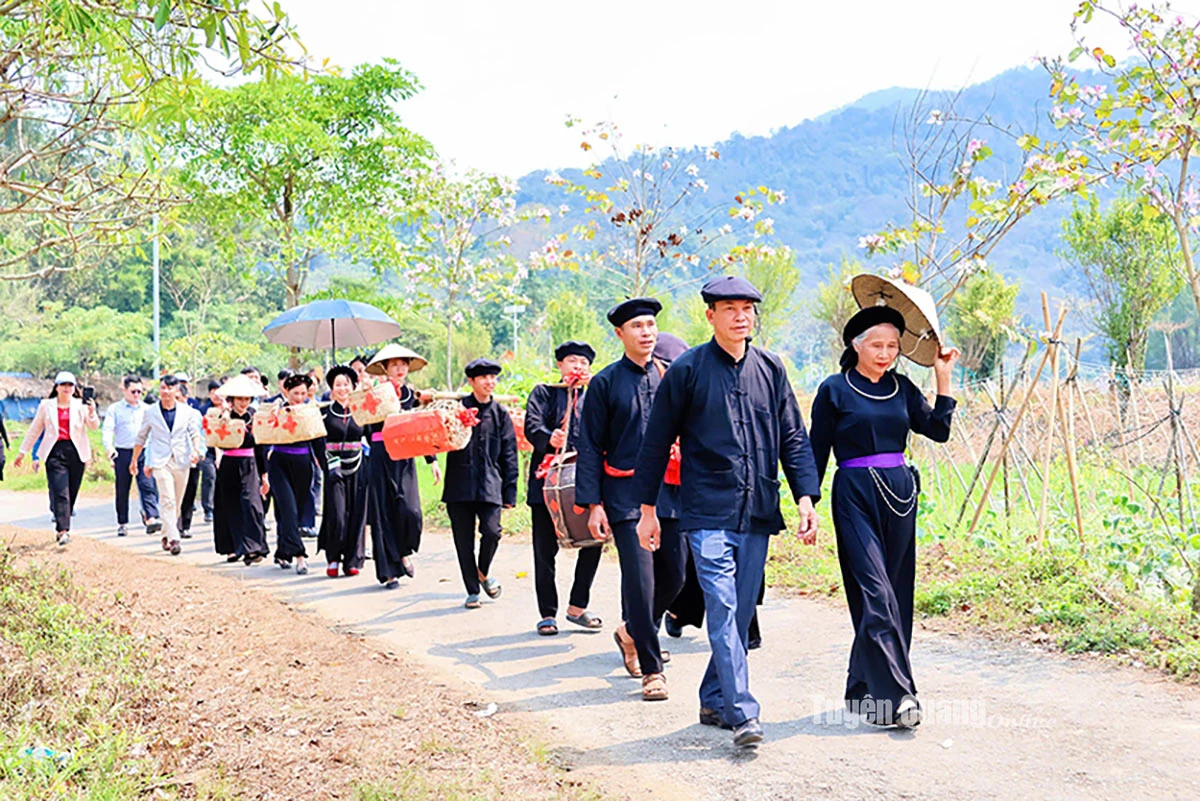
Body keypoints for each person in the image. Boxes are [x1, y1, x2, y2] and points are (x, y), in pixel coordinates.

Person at [633, 275, 820, 748]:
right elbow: (655, 444)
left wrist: (805, 497)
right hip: (707, 509)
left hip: (757, 507)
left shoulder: (771, 369)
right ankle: (743, 714)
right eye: (730, 308)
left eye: (747, 308)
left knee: (738, 615)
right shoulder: (688, 370)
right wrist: (647, 510)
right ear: (710, 315)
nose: (741, 316)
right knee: (722, 604)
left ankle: (715, 696)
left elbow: (793, 437)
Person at [809, 306, 959, 729]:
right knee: (874, 594)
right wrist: (808, 503)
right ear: (855, 346)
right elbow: (814, 451)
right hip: (853, 493)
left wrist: (942, 377)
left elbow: (938, 430)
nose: (885, 353)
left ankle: (861, 689)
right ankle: (899, 698)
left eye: (892, 346)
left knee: (896, 595)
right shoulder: (834, 390)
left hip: (900, 494)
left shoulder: (903, 388)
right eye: (877, 345)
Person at [576, 298, 686, 702]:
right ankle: (652, 671)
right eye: (637, 326)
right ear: (620, 334)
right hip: (623, 496)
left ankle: (629, 631)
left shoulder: (671, 377)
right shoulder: (604, 384)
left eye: (651, 324)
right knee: (640, 582)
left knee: (675, 576)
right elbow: (589, 446)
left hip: (670, 491)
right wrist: (593, 505)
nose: (646, 332)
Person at [524, 341, 604, 636]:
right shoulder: (544, 392)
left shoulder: (595, 395)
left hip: (585, 481)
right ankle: (547, 613)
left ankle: (578, 606)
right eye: (572, 361)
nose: (578, 367)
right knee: (544, 550)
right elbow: (532, 426)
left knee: (594, 541)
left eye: (583, 362)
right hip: (547, 483)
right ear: (560, 365)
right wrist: (549, 437)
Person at [443, 358, 519, 609]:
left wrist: (510, 491)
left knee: (492, 532)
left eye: (493, 377)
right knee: (463, 540)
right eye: (484, 377)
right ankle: (472, 591)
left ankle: (482, 572)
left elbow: (509, 453)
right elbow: (435, 436)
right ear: (471, 382)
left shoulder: (500, 414)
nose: (490, 382)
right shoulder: (456, 410)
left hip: (490, 484)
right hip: (459, 485)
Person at [363, 344, 441, 589]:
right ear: (384, 369)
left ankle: (404, 550)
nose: (399, 369)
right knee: (383, 511)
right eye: (394, 365)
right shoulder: (373, 395)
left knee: (411, 511)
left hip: (405, 455)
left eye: (403, 364)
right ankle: (389, 571)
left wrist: (433, 461)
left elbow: (420, 429)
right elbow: (363, 427)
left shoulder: (411, 395)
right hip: (379, 454)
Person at [14, 372, 100, 546]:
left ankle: (61, 514)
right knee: (61, 491)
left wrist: (92, 412)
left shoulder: (80, 406)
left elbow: (93, 427)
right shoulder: (46, 406)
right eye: (63, 385)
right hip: (54, 451)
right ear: (57, 387)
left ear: (75, 388)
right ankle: (63, 531)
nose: (67, 389)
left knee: (72, 492)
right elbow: (35, 429)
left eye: (70, 385)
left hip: (76, 451)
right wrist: (23, 452)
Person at [131, 374, 205, 556]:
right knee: (167, 499)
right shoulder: (150, 412)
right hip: (160, 461)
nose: (166, 392)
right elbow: (141, 437)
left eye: (170, 388)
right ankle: (174, 538)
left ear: (176, 391)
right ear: (160, 390)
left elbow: (195, 433)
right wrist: (135, 460)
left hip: (181, 460)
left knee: (177, 502)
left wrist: (196, 450)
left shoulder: (186, 412)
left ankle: (166, 533)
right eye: (163, 388)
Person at [266, 374, 325, 575]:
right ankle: (300, 555)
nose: (299, 397)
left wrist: (327, 469)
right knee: (287, 508)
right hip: (279, 464)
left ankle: (282, 552)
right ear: (286, 392)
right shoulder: (276, 409)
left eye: (303, 393)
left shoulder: (311, 411)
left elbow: (318, 442)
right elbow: (262, 432)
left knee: (295, 511)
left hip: (303, 465)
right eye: (295, 393)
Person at [211, 374, 271, 565]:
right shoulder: (223, 417)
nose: (243, 403)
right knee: (228, 505)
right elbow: (216, 439)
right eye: (240, 399)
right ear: (232, 399)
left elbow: (261, 446)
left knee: (252, 505)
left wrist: (264, 474)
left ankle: (253, 548)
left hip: (250, 465)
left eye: (247, 399)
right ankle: (231, 548)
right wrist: (224, 419)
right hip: (229, 464)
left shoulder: (255, 418)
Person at [318, 365, 368, 578]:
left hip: (358, 466)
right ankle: (333, 557)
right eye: (338, 384)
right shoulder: (324, 413)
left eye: (346, 384)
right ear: (331, 388)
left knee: (357, 514)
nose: (342, 388)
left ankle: (352, 560)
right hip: (333, 468)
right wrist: (329, 465)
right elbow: (318, 442)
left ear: (353, 386)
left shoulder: (363, 411)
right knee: (337, 515)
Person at [102, 375, 161, 537]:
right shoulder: (115, 409)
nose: (136, 395)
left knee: (147, 484)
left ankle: (151, 517)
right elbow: (107, 430)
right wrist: (109, 448)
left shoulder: (147, 409)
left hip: (144, 451)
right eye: (133, 391)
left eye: (140, 392)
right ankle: (122, 522)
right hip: (123, 452)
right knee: (123, 488)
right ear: (124, 390)